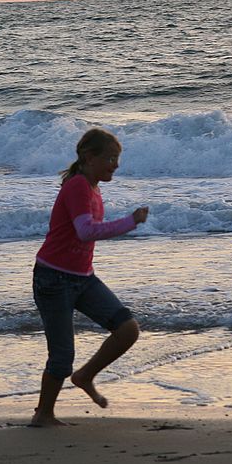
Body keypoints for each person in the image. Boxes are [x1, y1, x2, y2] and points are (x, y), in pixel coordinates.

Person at [31, 127, 149, 427]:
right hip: (53, 279)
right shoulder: (78, 186)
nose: (115, 165)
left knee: (128, 329)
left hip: (83, 278)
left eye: (117, 159)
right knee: (61, 357)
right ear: (88, 157)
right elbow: (86, 232)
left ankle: (85, 376)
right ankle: (43, 415)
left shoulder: (93, 187)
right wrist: (130, 222)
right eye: (110, 158)